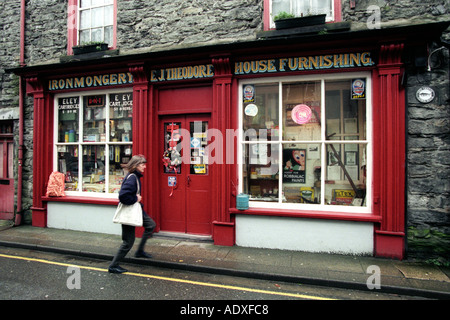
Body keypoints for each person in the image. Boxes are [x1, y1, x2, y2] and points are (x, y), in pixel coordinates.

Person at [109, 154, 156, 274]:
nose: (144, 167)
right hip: (129, 212)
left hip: (136, 210)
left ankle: (139, 251)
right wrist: (136, 198)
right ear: (136, 165)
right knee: (128, 241)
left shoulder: (135, 176)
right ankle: (113, 265)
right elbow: (123, 196)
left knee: (150, 225)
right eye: (142, 164)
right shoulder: (131, 178)